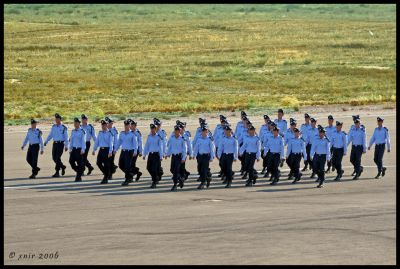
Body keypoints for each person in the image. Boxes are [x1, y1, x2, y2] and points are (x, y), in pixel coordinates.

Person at [44, 113, 68, 177]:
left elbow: (66, 137)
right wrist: (46, 141)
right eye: (56, 119)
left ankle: (57, 172)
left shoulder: (63, 128)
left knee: (57, 158)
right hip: (55, 144)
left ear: (60, 119)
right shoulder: (54, 127)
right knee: (54, 158)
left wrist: (66, 145)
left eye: (58, 119)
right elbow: (51, 135)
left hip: (60, 144)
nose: (56, 120)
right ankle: (62, 166)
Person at [115, 120, 138, 186]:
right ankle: (130, 175)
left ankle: (127, 179)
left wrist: (135, 151)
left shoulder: (132, 134)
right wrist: (115, 149)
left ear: (129, 126)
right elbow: (119, 142)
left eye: (127, 125)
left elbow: (135, 144)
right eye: (125, 125)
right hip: (123, 151)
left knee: (127, 166)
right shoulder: (122, 133)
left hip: (129, 152)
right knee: (120, 165)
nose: (126, 126)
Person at [166, 125, 187, 191]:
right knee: (172, 169)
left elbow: (184, 150)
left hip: (179, 157)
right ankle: (181, 179)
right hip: (174, 156)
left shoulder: (182, 139)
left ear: (180, 131)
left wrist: (183, 158)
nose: (176, 132)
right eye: (175, 131)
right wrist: (168, 154)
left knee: (175, 171)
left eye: (178, 131)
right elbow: (170, 147)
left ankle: (175, 184)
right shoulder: (172, 138)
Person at [143, 123, 164, 188]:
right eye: (151, 129)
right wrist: (145, 154)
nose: (152, 130)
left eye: (153, 129)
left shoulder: (158, 137)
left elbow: (161, 147)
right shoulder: (149, 136)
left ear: (156, 129)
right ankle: (156, 177)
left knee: (154, 169)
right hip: (150, 155)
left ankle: (154, 182)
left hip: (156, 155)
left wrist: (161, 156)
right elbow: (147, 145)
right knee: (148, 168)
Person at [92, 120, 113, 184]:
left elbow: (111, 143)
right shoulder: (100, 133)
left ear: (107, 125)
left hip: (107, 150)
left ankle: (105, 178)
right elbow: (97, 142)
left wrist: (110, 151)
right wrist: (94, 149)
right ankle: (107, 173)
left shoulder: (110, 133)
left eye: (104, 125)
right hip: (101, 150)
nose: (103, 126)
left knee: (106, 165)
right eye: (102, 125)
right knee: (98, 163)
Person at [68, 117, 86, 182]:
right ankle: (79, 172)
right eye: (74, 123)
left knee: (79, 163)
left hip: (79, 149)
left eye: (76, 123)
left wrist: (83, 149)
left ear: (79, 123)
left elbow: (83, 141)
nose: (75, 124)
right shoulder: (73, 131)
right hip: (74, 150)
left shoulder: (82, 131)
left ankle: (78, 177)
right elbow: (71, 140)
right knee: (71, 161)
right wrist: (70, 148)